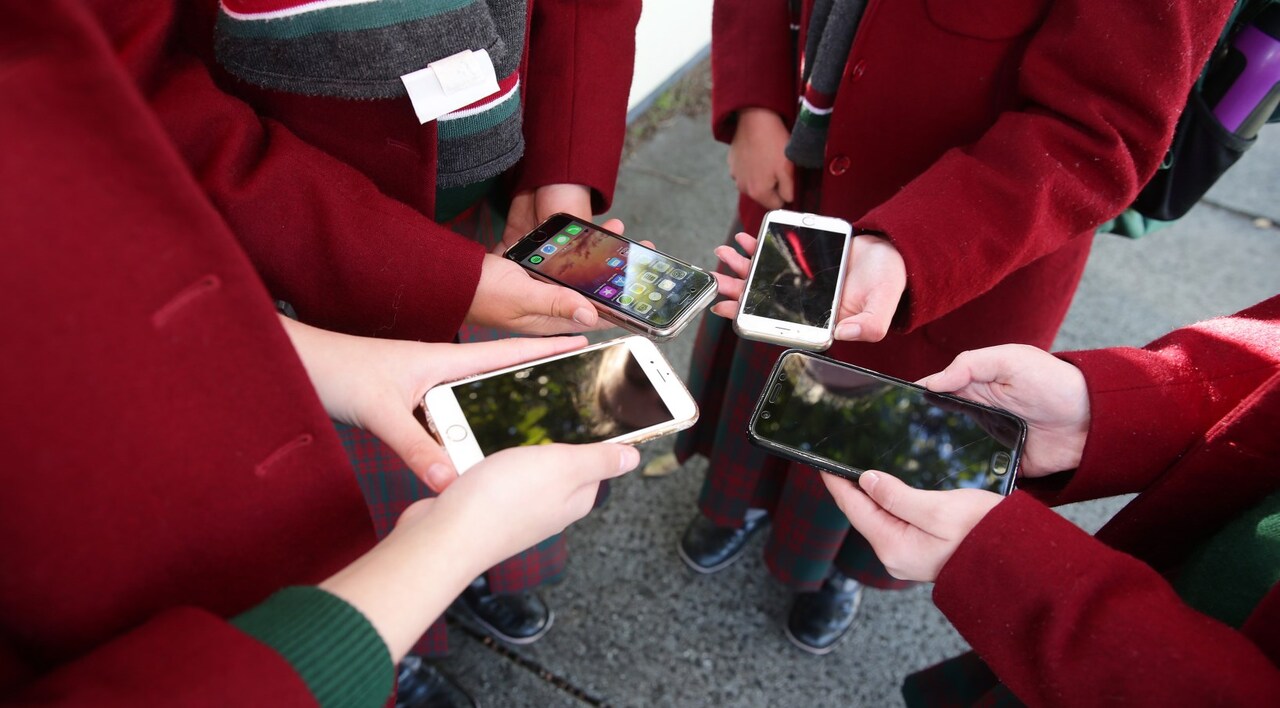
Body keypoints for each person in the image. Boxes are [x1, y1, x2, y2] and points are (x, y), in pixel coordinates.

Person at [0, 5, 637, 704]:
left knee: (475, 422)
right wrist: (420, 574)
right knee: (360, 495)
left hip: (478, 222)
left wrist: (561, 170)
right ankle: (406, 643)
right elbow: (137, 85)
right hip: (312, 231)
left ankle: (476, 574)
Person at [674, 0, 1239, 655]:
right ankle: (739, 501)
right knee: (769, 372)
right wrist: (753, 101)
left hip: (963, 249)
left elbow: (1101, 126)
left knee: (893, 434)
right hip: (795, 190)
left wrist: (911, 250)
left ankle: (840, 567)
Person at [821, 296, 1280, 704]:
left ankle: (840, 576)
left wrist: (1007, 563)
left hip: (1117, 650)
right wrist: (1098, 409)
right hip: (1151, 600)